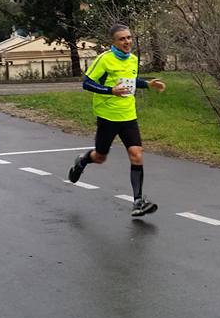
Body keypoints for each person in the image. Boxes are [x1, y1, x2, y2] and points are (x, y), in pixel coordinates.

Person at [68, 24, 166, 217]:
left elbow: (130, 80)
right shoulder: (104, 60)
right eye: (122, 39)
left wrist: (147, 83)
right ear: (113, 42)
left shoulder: (133, 60)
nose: (127, 42)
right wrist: (110, 91)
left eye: (129, 38)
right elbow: (86, 83)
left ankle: (138, 201)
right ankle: (83, 160)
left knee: (136, 154)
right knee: (100, 157)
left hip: (128, 115)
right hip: (107, 115)